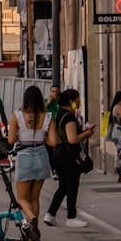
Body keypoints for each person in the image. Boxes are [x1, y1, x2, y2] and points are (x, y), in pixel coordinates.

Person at [8, 84, 56, 239]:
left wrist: (17, 134)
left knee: (21, 198)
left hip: (24, 156)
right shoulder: (48, 116)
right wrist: (43, 136)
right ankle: (34, 230)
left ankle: (31, 219)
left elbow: (10, 139)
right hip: (42, 156)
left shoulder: (17, 115)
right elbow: (53, 142)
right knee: (35, 197)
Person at [45, 87, 90, 228]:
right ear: (71, 101)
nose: (79, 102)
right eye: (77, 99)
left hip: (57, 153)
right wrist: (87, 134)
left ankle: (50, 214)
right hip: (67, 154)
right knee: (72, 185)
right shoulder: (69, 117)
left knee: (63, 185)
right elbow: (72, 139)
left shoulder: (58, 114)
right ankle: (71, 217)